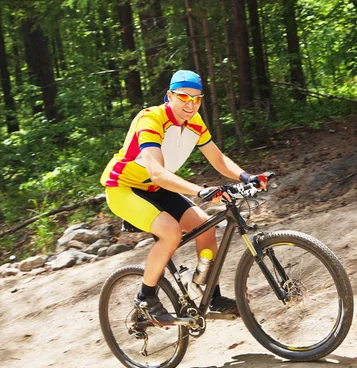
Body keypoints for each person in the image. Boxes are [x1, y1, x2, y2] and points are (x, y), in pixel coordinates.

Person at [100, 70, 265, 325]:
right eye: (184, 97)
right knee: (171, 232)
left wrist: (246, 176)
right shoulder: (151, 120)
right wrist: (199, 190)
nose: (190, 105)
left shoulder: (195, 122)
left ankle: (211, 295)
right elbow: (156, 172)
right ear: (169, 96)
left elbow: (218, 159)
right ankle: (146, 296)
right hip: (124, 188)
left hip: (156, 188)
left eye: (196, 99)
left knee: (205, 228)